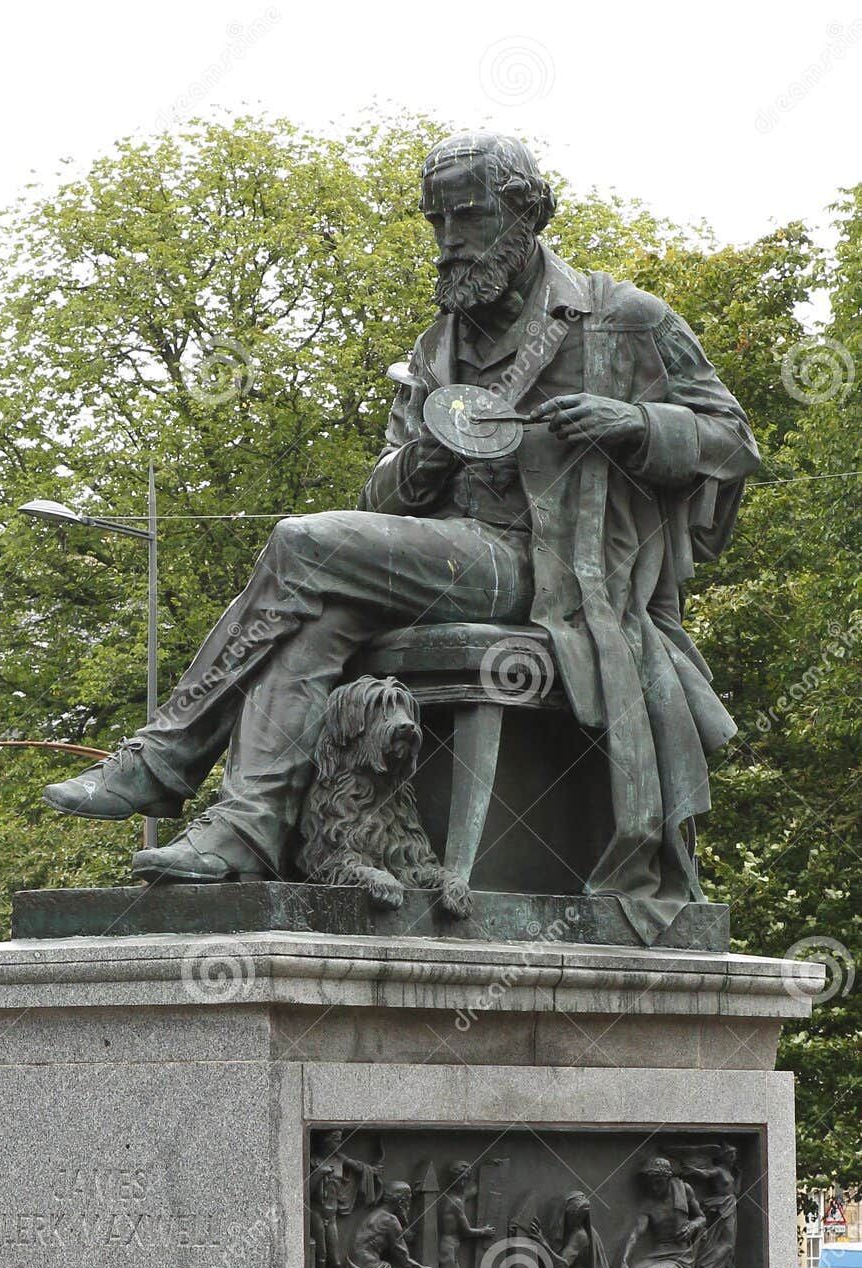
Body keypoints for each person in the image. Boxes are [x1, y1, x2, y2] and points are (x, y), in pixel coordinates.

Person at [43, 132, 758, 941]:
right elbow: (378, 495)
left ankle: (164, 759)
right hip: (443, 552)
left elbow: (733, 441)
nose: (449, 240)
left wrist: (630, 423)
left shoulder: (623, 320)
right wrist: (421, 454)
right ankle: (243, 828)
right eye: (437, 221)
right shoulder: (434, 348)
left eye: (469, 217)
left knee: (304, 545)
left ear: (528, 214)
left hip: (550, 567)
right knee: (315, 613)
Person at [308, 1129, 382, 1268]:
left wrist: (373, 1170)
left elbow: (360, 1167)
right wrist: (318, 1174)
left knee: (336, 1261)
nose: (339, 1144)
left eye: (340, 1141)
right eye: (335, 1140)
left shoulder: (340, 1159)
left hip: (332, 1216)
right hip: (316, 1214)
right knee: (321, 1260)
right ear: (325, 1141)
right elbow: (304, 1192)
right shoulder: (313, 1160)